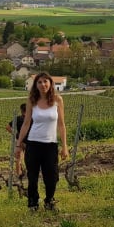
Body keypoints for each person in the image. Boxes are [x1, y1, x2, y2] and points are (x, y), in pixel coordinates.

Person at [17, 72, 69, 211]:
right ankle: (33, 203)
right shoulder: (32, 101)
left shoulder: (58, 100)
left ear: (50, 83)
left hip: (50, 145)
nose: (43, 84)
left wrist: (64, 147)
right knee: (32, 177)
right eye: (39, 82)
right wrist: (18, 144)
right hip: (33, 144)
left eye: (45, 81)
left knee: (51, 177)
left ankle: (49, 201)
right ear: (36, 85)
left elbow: (61, 125)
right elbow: (26, 123)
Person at [6, 103, 27, 178]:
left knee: (18, 158)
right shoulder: (30, 118)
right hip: (28, 141)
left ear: (21, 110)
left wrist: (15, 134)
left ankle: (19, 174)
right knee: (29, 158)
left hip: (19, 140)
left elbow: (8, 127)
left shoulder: (18, 118)